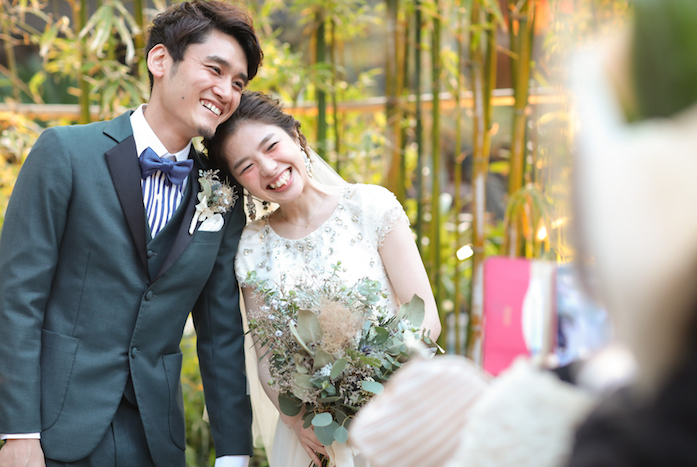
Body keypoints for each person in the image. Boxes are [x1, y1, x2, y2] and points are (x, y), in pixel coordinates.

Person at [0, 2, 263, 466]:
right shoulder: (65, 153)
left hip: (155, 440)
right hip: (51, 430)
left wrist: (233, 455)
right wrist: (19, 432)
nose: (225, 92)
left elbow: (220, 335)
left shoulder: (222, 191)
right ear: (160, 60)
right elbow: (16, 299)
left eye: (238, 83)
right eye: (215, 70)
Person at [204, 91, 442, 467]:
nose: (268, 168)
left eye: (271, 146)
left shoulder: (371, 207)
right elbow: (266, 356)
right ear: (238, 182)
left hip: (397, 411)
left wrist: (374, 390)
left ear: (295, 136)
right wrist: (296, 421)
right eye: (246, 166)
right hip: (316, 433)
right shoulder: (251, 246)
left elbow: (425, 316)